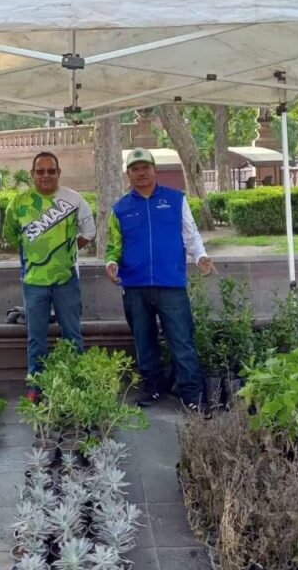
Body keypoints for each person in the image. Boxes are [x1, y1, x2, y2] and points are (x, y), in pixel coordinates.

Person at [105, 148, 216, 411]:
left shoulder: (176, 200)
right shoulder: (119, 209)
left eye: (145, 167)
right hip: (135, 286)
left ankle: (192, 395)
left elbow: (191, 236)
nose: (141, 173)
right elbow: (113, 247)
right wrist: (111, 264)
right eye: (135, 169)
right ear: (128, 174)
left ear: (154, 170)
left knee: (182, 341)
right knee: (144, 342)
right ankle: (153, 387)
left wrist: (200, 257)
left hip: (171, 284)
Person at [4, 151, 96, 399]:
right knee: (36, 339)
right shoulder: (18, 203)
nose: (46, 175)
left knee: (72, 335)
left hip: (66, 280)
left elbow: (89, 232)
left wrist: (66, 250)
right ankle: (36, 387)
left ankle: (75, 385)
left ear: (59, 173)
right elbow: (11, 236)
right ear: (32, 174)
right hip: (34, 282)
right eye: (40, 171)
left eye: (51, 171)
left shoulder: (74, 199)